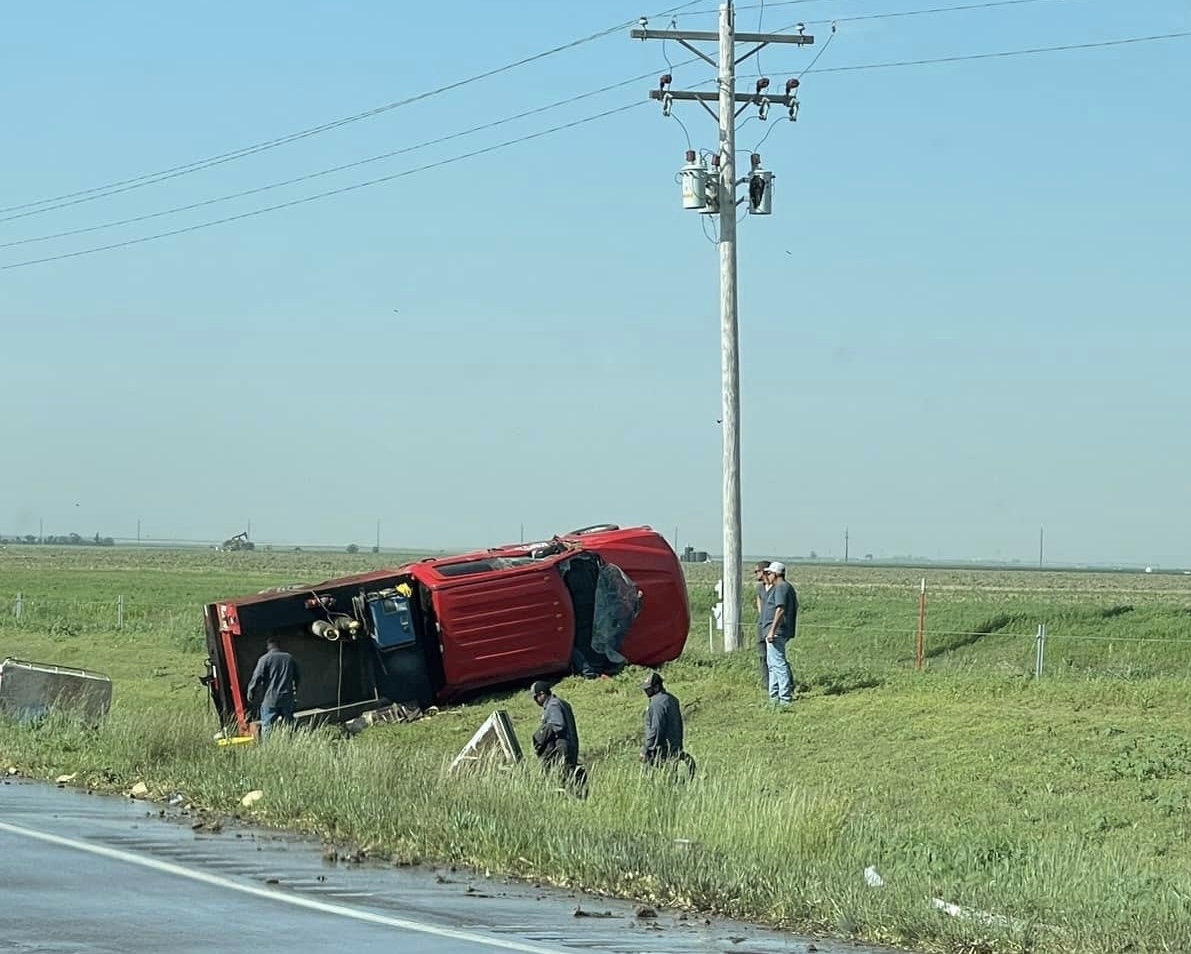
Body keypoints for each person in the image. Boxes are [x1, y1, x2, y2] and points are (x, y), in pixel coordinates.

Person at [530, 680, 586, 795]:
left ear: (542, 694)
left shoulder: (553, 705)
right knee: (570, 777)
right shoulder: (562, 703)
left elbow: (558, 724)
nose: (535, 701)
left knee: (564, 780)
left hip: (562, 747)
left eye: (536, 697)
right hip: (570, 745)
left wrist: (541, 736)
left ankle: (573, 800)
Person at [640, 671, 694, 779]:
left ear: (656, 687)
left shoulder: (656, 704)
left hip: (660, 752)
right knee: (671, 779)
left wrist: (646, 750)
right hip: (674, 749)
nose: (646, 691)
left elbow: (656, 728)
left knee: (657, 782)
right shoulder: (672, 700)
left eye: (648, 689)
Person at [246, 636, 300, 738]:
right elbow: (297, 676)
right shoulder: (289, 658)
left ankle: (268, 747)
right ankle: (291, 744)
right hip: (287, 698)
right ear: (279, 645)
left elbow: (257, 677)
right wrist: (295, 690)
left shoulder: (264, 659)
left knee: (267, 726)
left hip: (271, 700)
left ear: (268, 646)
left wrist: (251, 691)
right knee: (290, 725)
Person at [759, 562, 798, 706]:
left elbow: (780, 609)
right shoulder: (782, 588)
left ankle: (785, 699)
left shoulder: (781, 588)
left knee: (778, 664)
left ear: (775, 574)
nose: (767, 576)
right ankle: (774, 697)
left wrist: (772, 630)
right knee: (772, 665)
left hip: (776, 632)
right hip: (775, 631)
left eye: (769, 573)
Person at [753, 561, 771, 688]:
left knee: (775, 657)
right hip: (761, 625)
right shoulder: (759, 588)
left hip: (772, 625)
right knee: (762, 655)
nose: (755, 574)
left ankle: (782, 683)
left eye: (757, 571)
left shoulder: (776, 587)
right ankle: (766, 683)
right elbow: (759, 604)